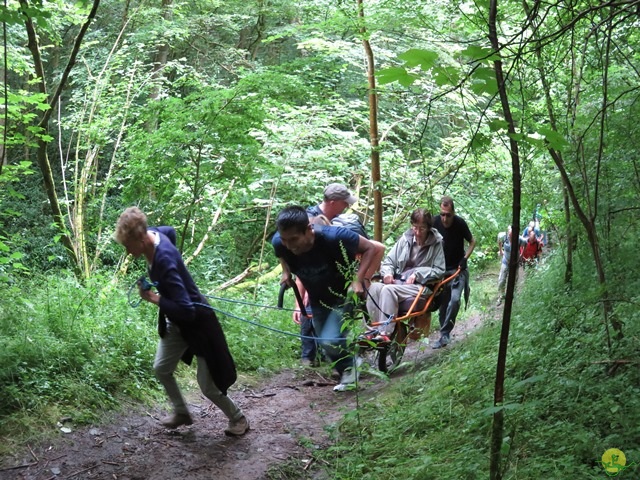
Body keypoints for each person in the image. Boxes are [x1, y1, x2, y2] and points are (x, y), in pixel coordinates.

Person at [115, 207, 249, 435]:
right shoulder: (157, 233)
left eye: (128, 246)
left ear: (141, 239)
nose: (128, 252)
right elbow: (171, 231)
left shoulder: (164, 260)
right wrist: (172, 285)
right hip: (176, 322)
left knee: (208, 386)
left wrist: (154, 298)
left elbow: (188, 310)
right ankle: (182, 412)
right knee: (161, 367)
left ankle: (238, 419)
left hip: (199, 325)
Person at [272, 206, 384, 391]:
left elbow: (371, 248)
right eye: (285, 240)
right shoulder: (280, 243)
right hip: (317, 297)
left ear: (308, 229)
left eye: (294, 239)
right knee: (326, 342)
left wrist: (358, 279)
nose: (290, 245)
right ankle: (349, 370)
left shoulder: (335, 237)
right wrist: (285, 271)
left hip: (344, 295)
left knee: (330, 339)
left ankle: (351, 370)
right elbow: (281, 252)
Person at [363, 209, 445, 341]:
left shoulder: (436, 243)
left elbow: (440, 270)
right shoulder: (405, 239)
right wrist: (388, 273)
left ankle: (384, 333)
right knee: (374, 288)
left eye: (422, 229)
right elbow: (389, 261)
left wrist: (418, 274)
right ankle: (372, 330)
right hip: (399, 283)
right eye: (415, 228)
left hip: (420, 286)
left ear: (429, 228)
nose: (417, 233)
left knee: (388, 290)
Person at [431, 196, 476, 349]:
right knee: (443, 304)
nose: (444, 218)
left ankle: (445, 332)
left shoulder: (460, 223)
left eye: (448, 215)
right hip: (440, 270)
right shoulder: (434, 222)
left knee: (455, 300)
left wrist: (465, 258)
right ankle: (443, 335)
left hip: (458, 270)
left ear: (453, 213)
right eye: (442, 214)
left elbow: (472, 241)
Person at [497, 225, 526, 305]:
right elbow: (499, 240)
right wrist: (501, 250)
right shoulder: (503, 236)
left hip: (515, 263)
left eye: (512, 235)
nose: (511, 236)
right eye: (510, 234)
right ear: (508, 233)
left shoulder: (519, 239)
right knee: (501, 280)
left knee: (514, 281)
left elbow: (525, 244)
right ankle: (501, 295)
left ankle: (514, 295)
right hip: (505, 261)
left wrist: (522, 255)